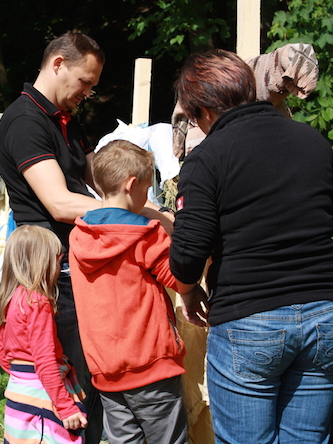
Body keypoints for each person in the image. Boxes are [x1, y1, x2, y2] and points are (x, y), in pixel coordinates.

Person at [170, 49, 333, 444]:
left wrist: (189, 293)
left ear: (203, 111)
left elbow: (189, 253)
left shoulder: (206, 158)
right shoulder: (314, 142)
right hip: (324, 315)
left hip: (250, 319)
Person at [0, 31, 106, 443]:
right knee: (72, 388)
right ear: (58, 63)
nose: (88, 93)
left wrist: (153, 210)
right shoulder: (25, 121)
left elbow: (101, 187)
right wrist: (131, 213)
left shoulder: (68, 122)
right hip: (52, 280)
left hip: (75, 269)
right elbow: (60, 203)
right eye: (85, 82)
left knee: (89, 385)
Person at [69, 140, 191, 444]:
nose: (148, 197)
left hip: (105, 369)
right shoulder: (146, 235)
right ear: (132, 185)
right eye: (147, 189)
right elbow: (181, 279)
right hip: (151, 365)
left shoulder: (78, 236)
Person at [0, 224, 88, 444]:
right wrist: (65, 407)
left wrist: (21, 378)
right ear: (41, 262)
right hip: (44, 393)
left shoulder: (9, 299)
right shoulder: (37, 301)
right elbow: (44, 361)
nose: (59, 266)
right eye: (57, 260)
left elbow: (4, 355)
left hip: (18, 390)